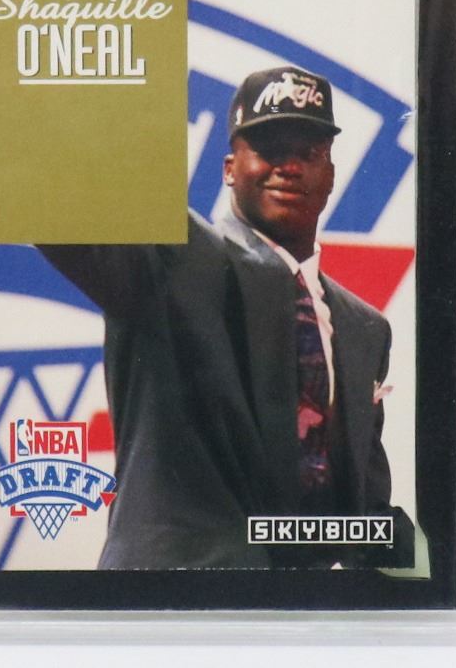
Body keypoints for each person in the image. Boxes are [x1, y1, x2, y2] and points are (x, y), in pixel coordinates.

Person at [38, 64, 413, 569]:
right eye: (270, 149)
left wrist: (440, 566)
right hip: (172, 599)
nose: (289, 167)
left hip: (295, 610)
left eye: (309, 153)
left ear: (330, 175)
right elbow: (45, 194)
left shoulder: (365, 328)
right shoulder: (176, 257)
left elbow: (360, 517)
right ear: (230, 167)